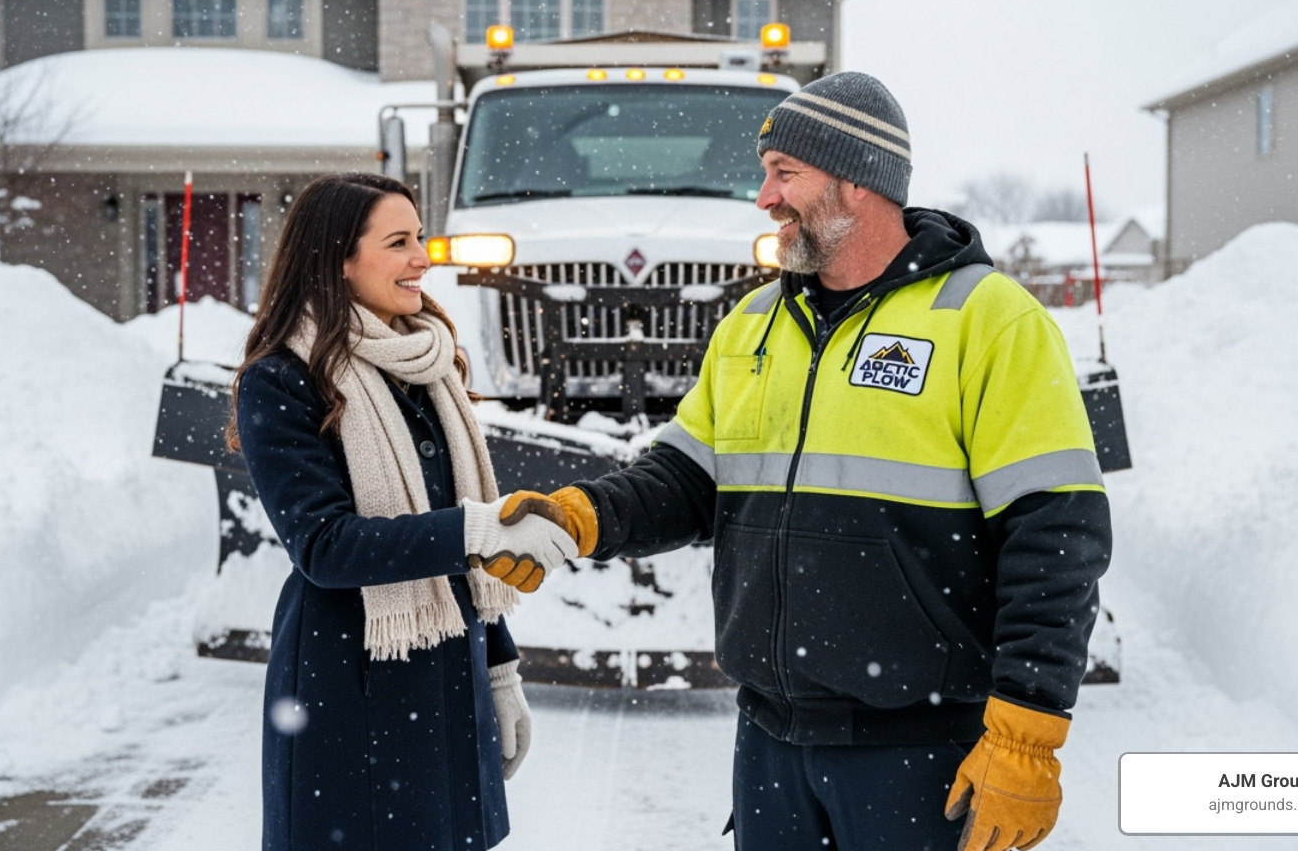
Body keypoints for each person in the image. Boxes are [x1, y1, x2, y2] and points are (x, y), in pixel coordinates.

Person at [489, 73, 1113, 851]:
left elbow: (1055, 536)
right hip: (771, 743)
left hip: (919, 751)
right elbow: (685, 478)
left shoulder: (988, 320)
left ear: (857, 179)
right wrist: (581, 517)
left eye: (784, 173)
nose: (763, 197)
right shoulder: (754, 321)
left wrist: (1028, 731)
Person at [230, 172, 576, 851]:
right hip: (348, 686)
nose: (423, 257)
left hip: (449, 676)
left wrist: (500, 669)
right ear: (338, 259)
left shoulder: (429, 363)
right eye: (399, 242)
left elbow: (466, 552)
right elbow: (325, 546)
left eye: (419, 237)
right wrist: (476, 531)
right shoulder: (282, 379)